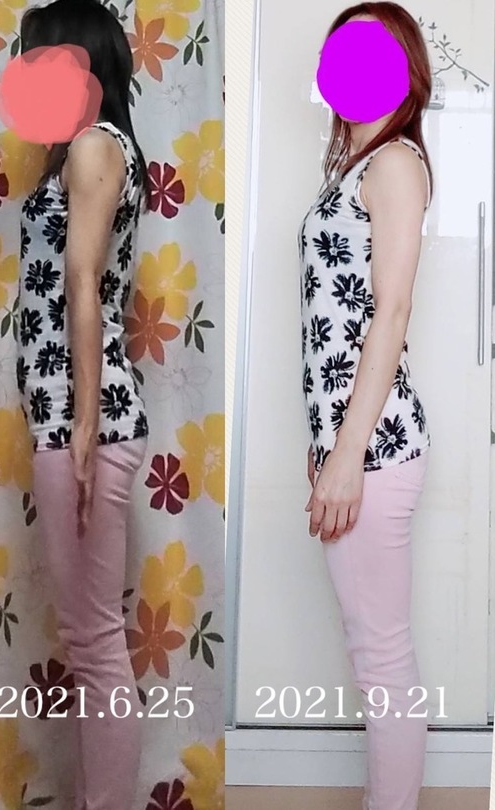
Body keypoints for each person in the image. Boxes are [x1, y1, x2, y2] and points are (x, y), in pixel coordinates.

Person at [15, 1, 150, 808]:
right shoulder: (84, 151)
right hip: (70, 419)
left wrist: (84, 426)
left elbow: (83, 286)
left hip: (85, 423)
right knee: (90, 640)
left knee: (95, 644)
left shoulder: (97, 147)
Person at [299, 3, 433, 809]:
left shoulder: (395, 164)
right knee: (372, 654)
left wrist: (347, 453)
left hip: (377, 447)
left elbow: (391, 312)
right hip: (350, 443)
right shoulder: (356, 164)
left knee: (381, 658)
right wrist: (321, 446)